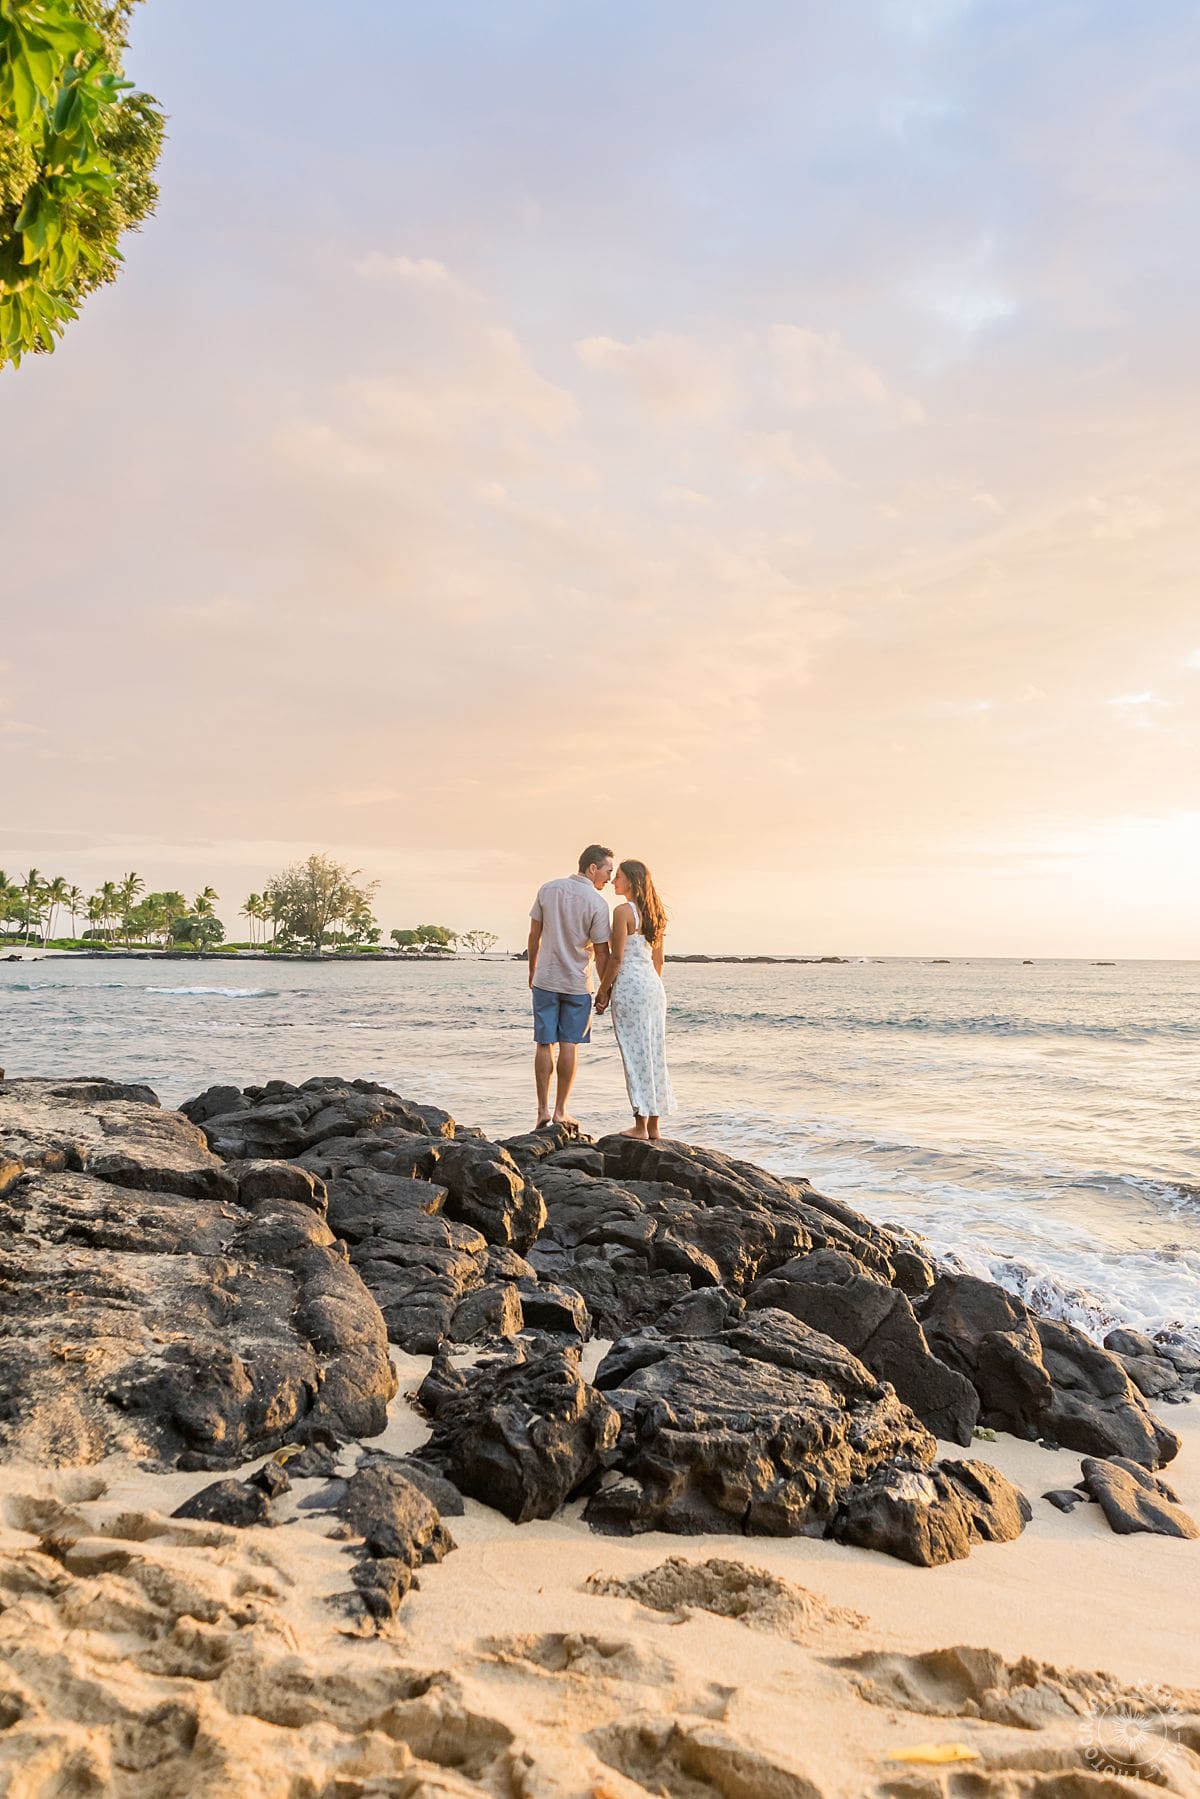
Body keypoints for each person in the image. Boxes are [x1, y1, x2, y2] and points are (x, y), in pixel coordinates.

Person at [527, 844, 613, 1129]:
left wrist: (532, 970)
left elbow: (534, 935)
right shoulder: (598, 904)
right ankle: (560, 1111)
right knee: (568, 1045)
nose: (609, 878)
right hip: (577, 983)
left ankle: (541, 1110)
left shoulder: (548, 889)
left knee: (543, 1043)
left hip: (546, 978)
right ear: (592, 868)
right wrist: (605, 990)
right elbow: (602, 952)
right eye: (607, 871)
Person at [594, 858, 675, 1141]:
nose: (614, 881)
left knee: (634, 1054)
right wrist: (651, 983)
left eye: (618, 877)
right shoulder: (656, 914)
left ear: (631, 881)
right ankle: (654, 1126)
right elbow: (659, 960)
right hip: (654, 987)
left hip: (630, 986)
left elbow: (616, 958)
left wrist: (603, 992)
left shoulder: (623, 912)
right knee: (654, 1054)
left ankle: (640, 1126)